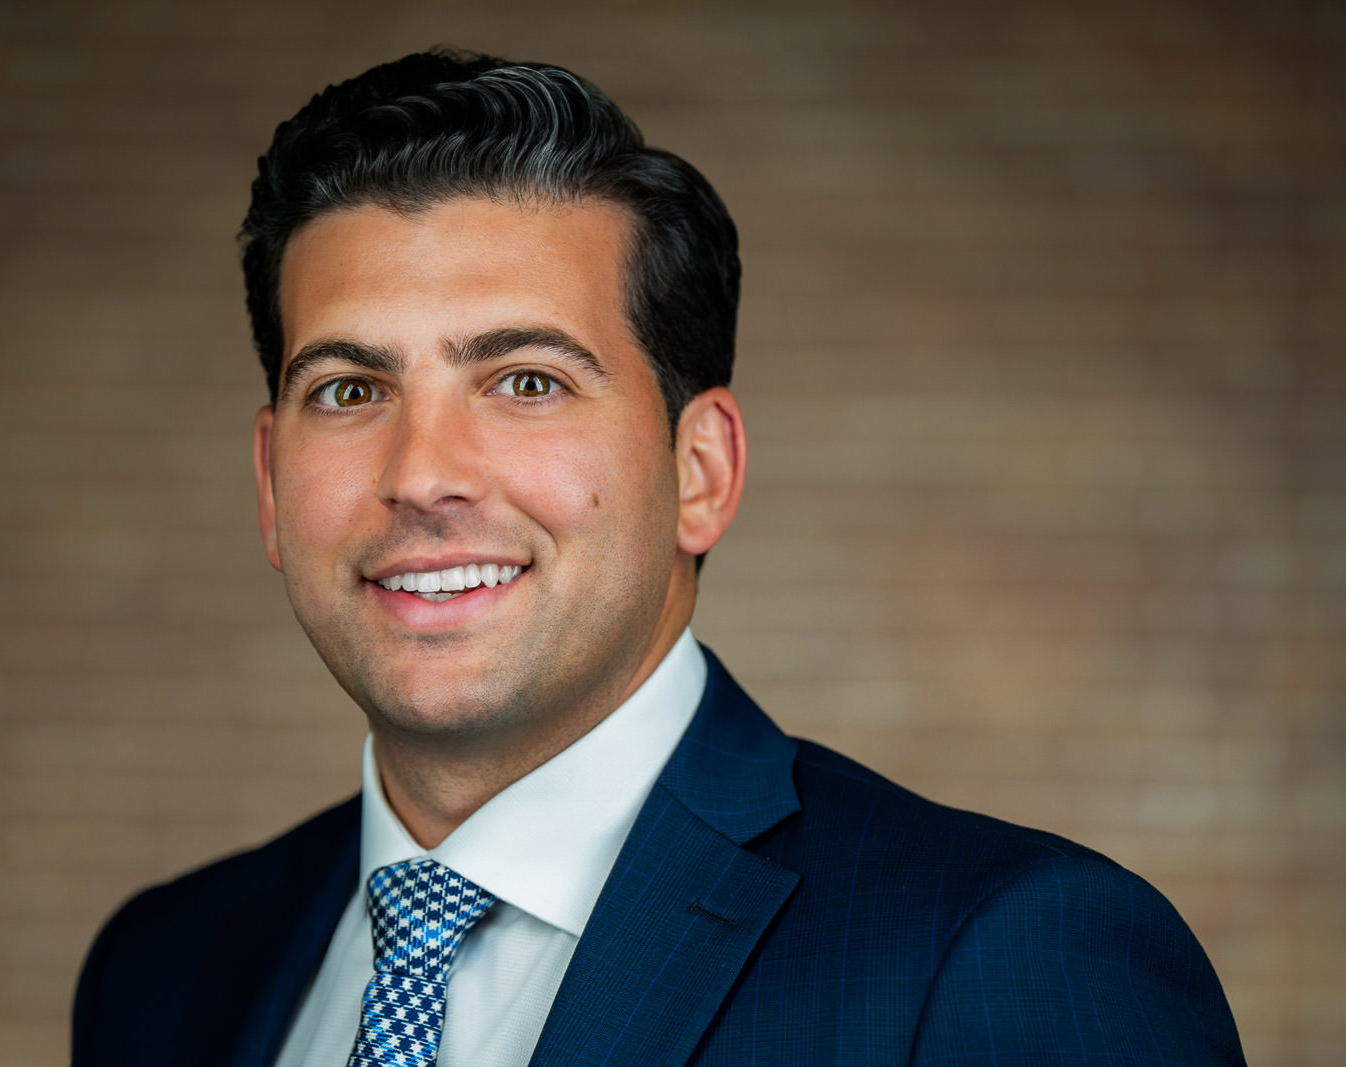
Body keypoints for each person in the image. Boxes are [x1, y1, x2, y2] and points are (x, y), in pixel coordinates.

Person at [71, 49, 1244, 1066]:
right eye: (350, 388)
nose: (421, 473)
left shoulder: (1002, 953)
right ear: (273, 481)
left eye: (525, 380)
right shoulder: (164, 970)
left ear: (700, 470)